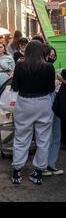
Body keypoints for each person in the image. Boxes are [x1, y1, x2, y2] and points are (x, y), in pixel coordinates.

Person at [11, 41, 56, 185]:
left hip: (24, 103)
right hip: (43, 103)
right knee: (43, 139)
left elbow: (15, 86)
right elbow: (50, 89)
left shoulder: (20, 66)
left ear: (28, 51)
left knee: (21, 137)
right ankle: (38, 172)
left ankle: (17, 171)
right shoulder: (49, 67)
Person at [42, 46, 64, 176]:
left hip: (55, 101)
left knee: (56, 134)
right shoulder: (40, 68)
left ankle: (51, 164)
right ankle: (42, 165)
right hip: (45, 102)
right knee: (46, 135)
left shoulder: (53, 69)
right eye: (50, 54)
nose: (52, 57)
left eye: (54, 55)